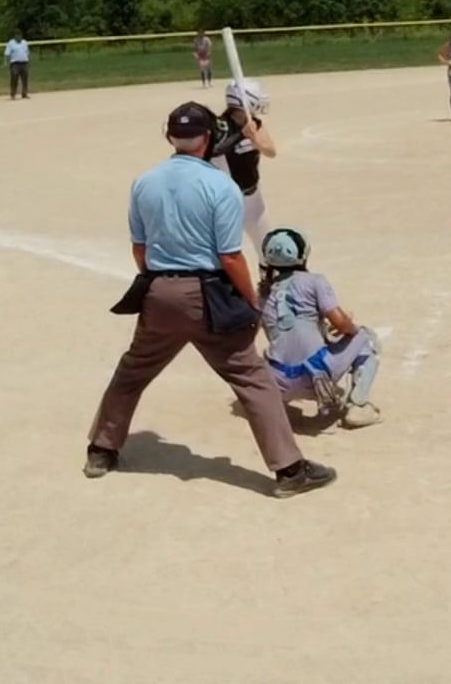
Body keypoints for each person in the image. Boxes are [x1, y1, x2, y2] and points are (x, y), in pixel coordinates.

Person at [83, 101, 336, 497]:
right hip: (208, 296)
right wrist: (251, 301)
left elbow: (139, 249)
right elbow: (230, 257)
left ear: (170, 136)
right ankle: (290, 470)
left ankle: (101, 451)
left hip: (158, 293)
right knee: (252, 378)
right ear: (209, 137)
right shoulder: (221, 186)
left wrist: (159, 283)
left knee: (132, 371)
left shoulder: (144, 182)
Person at [258, 227, 383, 429]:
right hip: (314, 377)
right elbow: (340, 322)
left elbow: (279, 335)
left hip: (277, 381)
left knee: (280, 353)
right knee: (365, 337)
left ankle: (276, 409)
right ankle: (357, 406)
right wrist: (349, 329)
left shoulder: (263, 293)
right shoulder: (314, 281)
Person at [208, 78, 276, 252]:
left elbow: (271, 151)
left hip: (252, 198)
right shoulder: (219, 127)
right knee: (225, 251)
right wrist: (239, 136)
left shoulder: (254, 124)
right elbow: (212, 151)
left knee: (267, 248)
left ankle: (267, 270)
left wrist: (254, 138)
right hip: (226, 201)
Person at [4, 32, 30, 99]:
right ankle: (13, 94)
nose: (19, 37)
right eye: (18, 35)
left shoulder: (24, 42)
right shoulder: (11, 43)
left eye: (20, 35)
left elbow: (27, 52)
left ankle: (24, 93)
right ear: (15, 36)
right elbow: (7, 54)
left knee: (25, 79)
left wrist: (28, 61)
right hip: (15, 64)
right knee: (14, 78)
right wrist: (6, 62)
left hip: (24, 63)